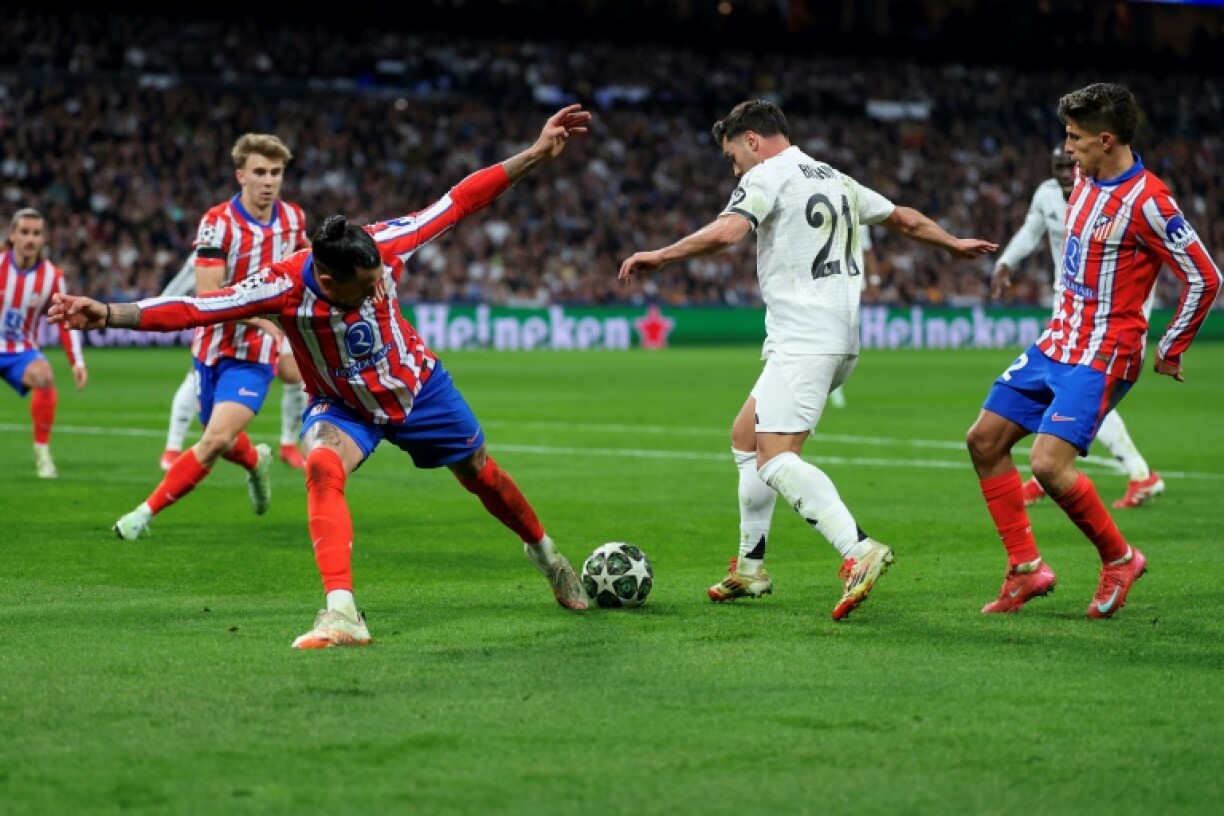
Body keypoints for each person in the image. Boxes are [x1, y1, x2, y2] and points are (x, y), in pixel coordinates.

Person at [51, 104, 594, 648]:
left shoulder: (382, 245)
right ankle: (342, 612)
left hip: (418, 388)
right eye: (366, 285)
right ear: (329, 281)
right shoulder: (282, 288)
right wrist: (109, 311)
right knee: (321, 464)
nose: (378, 286)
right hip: (343, 405)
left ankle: (546, 555)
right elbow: (197, 307)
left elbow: (458, 202)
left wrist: (536, 154)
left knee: (481, 472)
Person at [618, 99, 997, 620]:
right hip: (835, 335)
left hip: (805, 337)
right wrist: (951, 243)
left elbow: (729, 232)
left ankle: (857, 550)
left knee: (775, 458)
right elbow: (903, 219)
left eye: (733, 157)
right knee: (745, 437)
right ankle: (751, 568)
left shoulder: (767, 174)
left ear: (753, 140)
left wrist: (659, 255)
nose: (735, 170)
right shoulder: (836, 178)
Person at [966, 83, 1220, 618]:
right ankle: (1027, 570)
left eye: (1075, 137)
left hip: (1105, 350)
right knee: (985, 441)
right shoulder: (1083, 177)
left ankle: (1120, 559)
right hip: (1057, 340)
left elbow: (1205, 276)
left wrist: (1171, 345)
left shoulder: (1151, 202)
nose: (1066, 147)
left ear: (1107, 139)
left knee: (1048, 465)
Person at [109, 134, 310, 540]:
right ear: (241, 176)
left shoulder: (293, 219)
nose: (269, 181)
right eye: (259, 172)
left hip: (255, 353)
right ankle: (256, 462)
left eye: (276, 173)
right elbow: (207, 294)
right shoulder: (217, 223)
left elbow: (304, 259)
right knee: (220, 436)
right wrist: (263, 317)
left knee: (215, 438)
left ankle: (142, 515)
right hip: (212, 345)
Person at [993, 146, 1163, 508]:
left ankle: (1137, 472)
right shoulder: (1047, 196)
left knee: (1082, 391)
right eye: (1055, 167)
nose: (1063, 174)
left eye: (1066, 165)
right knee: (1065, 390)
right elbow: (1029, 232)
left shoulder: (1108, 196)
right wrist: (1005, 261)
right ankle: (1050, 470)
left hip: (1108, 315)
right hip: (1068, 306)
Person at [158, 250, 311, 472]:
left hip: (274, 317)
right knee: (206, 409)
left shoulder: (289, 224)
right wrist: (162, 307)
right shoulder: (217, 239)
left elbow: (307, 252)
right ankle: (172, 448)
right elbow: (189, 283)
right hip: (222, 323)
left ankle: (288, 444)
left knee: (293, 374)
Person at [1, 208, 87, 478]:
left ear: (43, 238)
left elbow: (66, 319)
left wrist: (77, 362)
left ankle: (42, 453)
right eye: (24, 232)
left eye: (36, 233)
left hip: (21, 350)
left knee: (45, 376)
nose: (30, 239)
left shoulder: (52, 276)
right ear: (12, 234)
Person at [827, 225, 879, 409]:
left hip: (853, 284)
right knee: (833, 336)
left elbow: (868, 252)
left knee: (846, 341)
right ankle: (831, 387)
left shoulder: (859, 221)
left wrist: (874, 280)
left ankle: (832, 383)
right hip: (828, 283)